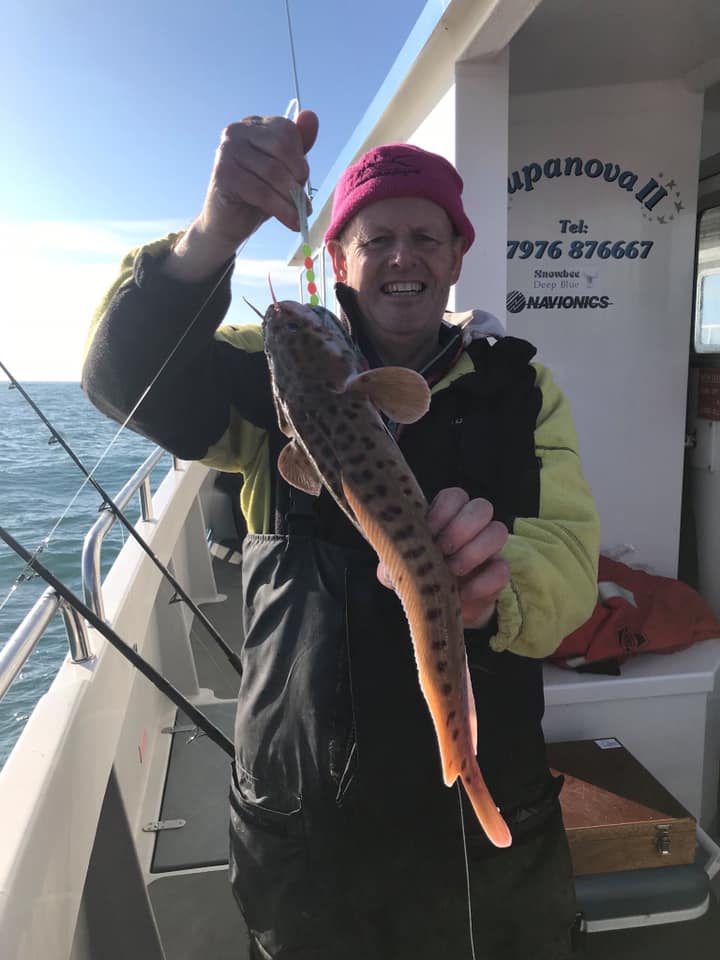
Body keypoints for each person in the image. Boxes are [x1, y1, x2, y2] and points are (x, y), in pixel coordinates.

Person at [82, 110, 600, 960]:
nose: (403, 258)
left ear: (457, 256)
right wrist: (212, 235)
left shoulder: (520, 388)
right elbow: (120, 379)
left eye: (425, 237)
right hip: (304, 828)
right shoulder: (266, 369)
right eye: (376, 239)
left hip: (486, 824)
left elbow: (573, 564)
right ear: (338, 261)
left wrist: (499, 582)